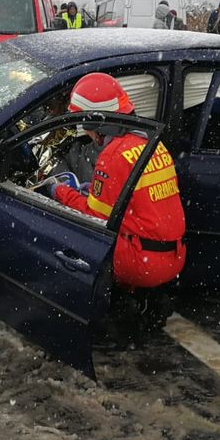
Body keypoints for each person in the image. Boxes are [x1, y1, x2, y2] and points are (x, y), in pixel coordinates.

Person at [41, 73, 186, 335]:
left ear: (98, 123)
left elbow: (94, 217)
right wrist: (92, 191)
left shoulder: (113, 155)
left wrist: (59, 191)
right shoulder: (151, 144)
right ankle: (147, 302)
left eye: (86, 126)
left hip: (141, 263)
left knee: (76, 242)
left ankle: (115, 313)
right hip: (172, 256)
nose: (86, 133)